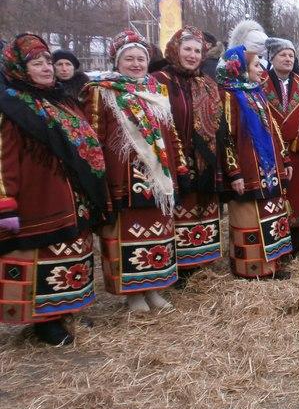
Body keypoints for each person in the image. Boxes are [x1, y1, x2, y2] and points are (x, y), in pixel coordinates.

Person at [0, 34, 108, 345]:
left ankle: (66, 309)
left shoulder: (62, 99)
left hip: (72, 195)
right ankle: (43, 322)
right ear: (19, 67)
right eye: (37, 63)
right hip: (38, 197)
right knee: (42, 256)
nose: (47, 68)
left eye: (48, 61)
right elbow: (3, 155)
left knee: (72, 252)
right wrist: (6, 200)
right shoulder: (10, 104)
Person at [84, 30, 188, 312]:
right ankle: (133, 295)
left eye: (140, 58)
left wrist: (179, 165)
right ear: (117, 62)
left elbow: (171, 132)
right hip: (124, 176)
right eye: (128, 58)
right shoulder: (101, 91)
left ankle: (154, 289)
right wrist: (98, 178)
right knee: (129, 234)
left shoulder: (156, 91)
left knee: (159, 233)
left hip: (159, 178)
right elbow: (92, 136)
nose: (136, 64)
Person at [153, 27, 236, 282]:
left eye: (197, 51)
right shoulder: (159, 80)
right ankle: (176, 267)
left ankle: (199, 263)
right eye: (187, 49)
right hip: (173, 157)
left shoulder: (208, 84)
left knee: (201, 211)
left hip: (206, 160)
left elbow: (220, 124)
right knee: (178, 211)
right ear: (174, 50)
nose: (192, 55)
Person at [217, 45, 294, 279]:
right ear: (239, 68)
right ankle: (251, 269)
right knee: (249, 217)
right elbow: (225, 137)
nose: (262, 70)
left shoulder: (256, 91)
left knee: (272, 215)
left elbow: (273, 128)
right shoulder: (227, 96)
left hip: (270, 169)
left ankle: (273, 266)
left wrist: (284, 157)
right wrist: (234, 172)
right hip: (247, 171)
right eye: (256, 65)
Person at [262, 37, 299, 255]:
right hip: (270, 151)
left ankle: (296, 242)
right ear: (272, 58)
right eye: (283, 54)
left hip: (296, 149)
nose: (288, 58)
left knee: (297, 195)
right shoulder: (259, 81)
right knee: (274, 196)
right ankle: (274, 240)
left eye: (291, 55)